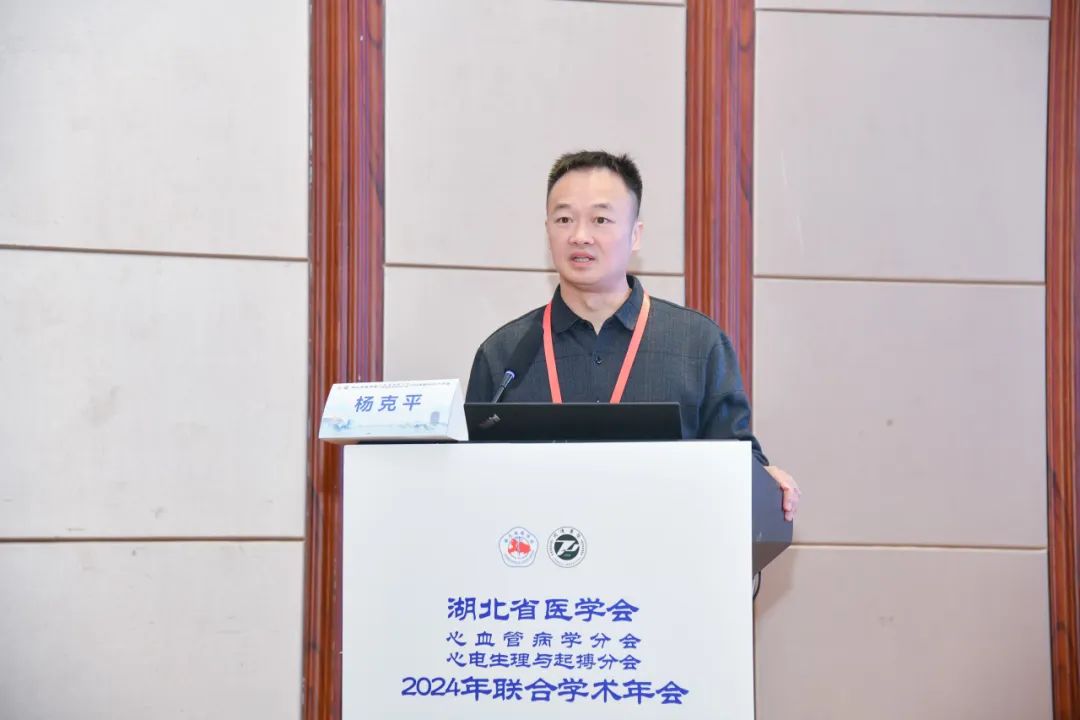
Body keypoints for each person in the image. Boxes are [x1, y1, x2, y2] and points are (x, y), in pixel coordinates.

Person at [465, 150, 800, 521]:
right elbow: (471, 479)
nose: (579, 236)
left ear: (635, 234)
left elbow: (735, 458)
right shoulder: (504, 355)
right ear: (548, 232)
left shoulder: (698, 343)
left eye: (600, 219)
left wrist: (763, 478)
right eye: (564, 219)